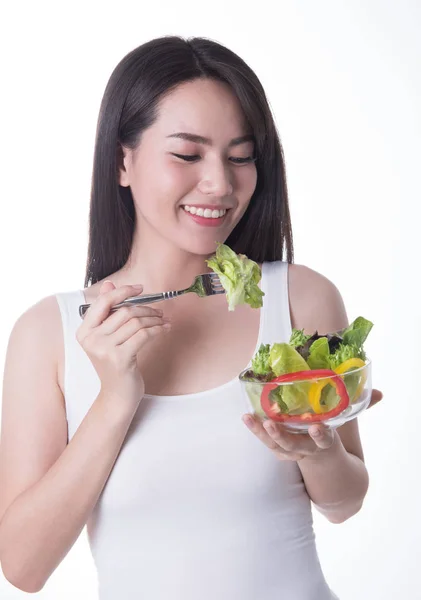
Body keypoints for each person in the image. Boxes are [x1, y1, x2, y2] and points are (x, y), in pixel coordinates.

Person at [0, 36, 382, 599]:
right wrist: (114, 399)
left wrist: (318, 452)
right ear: (122, 161)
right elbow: (22, 568)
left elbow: (346, 504)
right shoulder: (49, 334)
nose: (220, 185)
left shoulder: (300, 300)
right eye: (187, 154)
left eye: (240, 156)